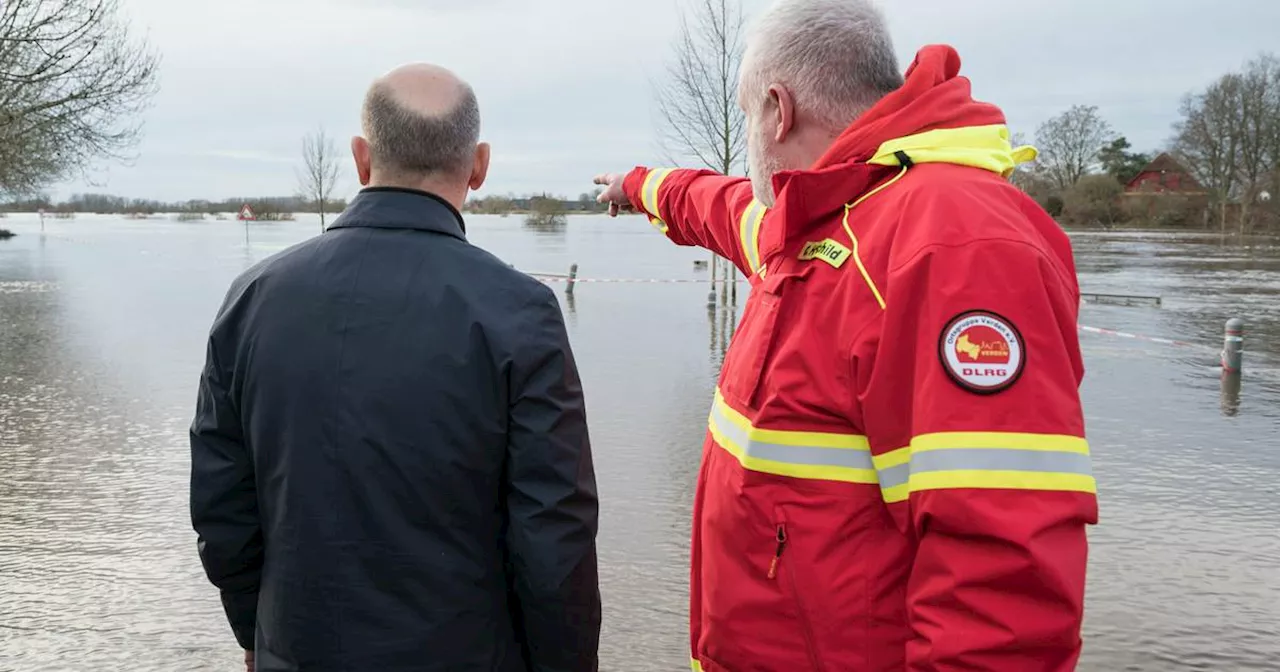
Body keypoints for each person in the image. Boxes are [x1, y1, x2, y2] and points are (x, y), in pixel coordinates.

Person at [594, 1, 1098, 670]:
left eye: (747, 116)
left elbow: (1002, 584)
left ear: (779, 109)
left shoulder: (952, 246)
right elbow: (721, 207)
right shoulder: (819, 226)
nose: (749, 140)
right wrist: (642, 186)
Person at [191, 63, 601, 672]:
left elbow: (223, 505)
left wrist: (257, 631)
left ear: (361, 158)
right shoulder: (520, 314)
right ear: (479, 166)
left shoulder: (253, 297)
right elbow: (554, 537)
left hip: (296, 648)